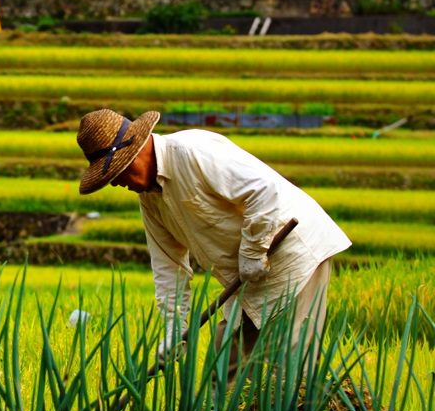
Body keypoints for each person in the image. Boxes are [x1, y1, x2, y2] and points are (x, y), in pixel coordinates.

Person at [76, 108, 351, 380]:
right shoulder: (149, 198)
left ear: (137, 150)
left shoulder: (192, 152)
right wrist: (174, 328)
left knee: (287, 372)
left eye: (117, 171)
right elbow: (168, 264)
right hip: (246, 277)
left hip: (292, 253)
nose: (115, 183)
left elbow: (264, 191)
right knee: (225, 371)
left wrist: (254, 251)